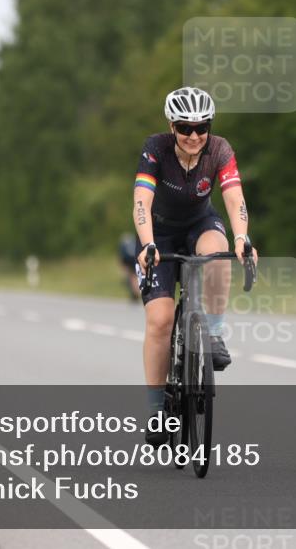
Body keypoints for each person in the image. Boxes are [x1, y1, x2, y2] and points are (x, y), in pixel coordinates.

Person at [132, 86, 258, 446]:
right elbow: (142, 199)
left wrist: (242, 238)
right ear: (172, 126)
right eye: (185, 127)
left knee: (218, 254)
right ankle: (157, 413)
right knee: (160, 320)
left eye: (202, 127)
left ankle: (214, 334)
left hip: (201, 223)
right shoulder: (155, 148)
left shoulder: (219, 149)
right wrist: (147, 244)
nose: (193, 135)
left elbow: (234, 198)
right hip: (160, 234)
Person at [119, 233, 141, 301]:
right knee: (134, 276)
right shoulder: (134, 242)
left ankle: (135, 292)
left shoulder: (124, 243)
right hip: (134, 258)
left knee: (132, 276)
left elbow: (121, 256)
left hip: (128, 260)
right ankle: (136, 292)